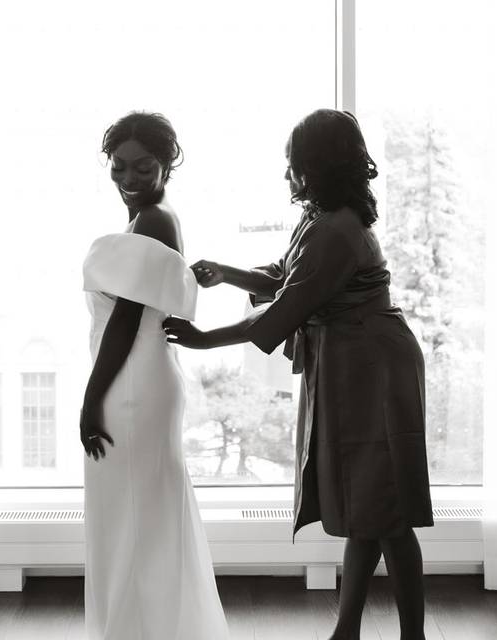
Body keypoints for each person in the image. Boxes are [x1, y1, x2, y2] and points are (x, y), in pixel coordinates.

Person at [164, 108, 434, 640]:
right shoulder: (322, 216)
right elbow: (287, 276)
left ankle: (413, 638)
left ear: (319, 166)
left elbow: (286, 308)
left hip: (373, 373)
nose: (287, 175)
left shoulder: (336, 229)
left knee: (388, 515)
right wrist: (226, 273)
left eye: (294, 164)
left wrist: (202, 339)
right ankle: (348, 631)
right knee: (367, 509)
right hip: (351, 364)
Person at [80, 111, 229, 640]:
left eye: (143, 168)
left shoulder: (154, 220)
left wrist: (89, 401)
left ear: (167, 165)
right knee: (139, 511)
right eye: (118, 167)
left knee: (135, 515)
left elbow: (124, 323)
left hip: (133, 382)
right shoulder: (150, 218)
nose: (128, 180)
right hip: (141, 376)